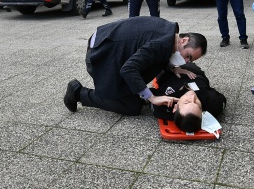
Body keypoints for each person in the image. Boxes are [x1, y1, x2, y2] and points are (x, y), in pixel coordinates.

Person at [63, 16, 207, 116]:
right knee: (131, 107)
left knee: (135, 100)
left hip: (103, 43)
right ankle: (77, 92)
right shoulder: (162, 44)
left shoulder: (169, 33)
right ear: (184, 40)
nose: (186, 61)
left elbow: (152, 54)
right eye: (188, 56)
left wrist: (172, 68)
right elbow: (129, 69)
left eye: (190, 60)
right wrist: (152, 98)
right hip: (99, 56)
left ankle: (129, 92)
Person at [150, 62, 226, 133]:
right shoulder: (213, 103)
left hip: (167, 73)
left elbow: (149, 94)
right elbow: (222, 99)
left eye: (187, 102)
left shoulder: (162, 106)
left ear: (175, 107)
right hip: (193, 71)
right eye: (197, 104)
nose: (192, 97)